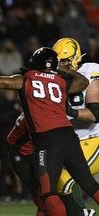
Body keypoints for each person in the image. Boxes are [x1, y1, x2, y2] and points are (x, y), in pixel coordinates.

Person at [0, 48, 99, 216]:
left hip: (47, 141)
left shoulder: (27, 80)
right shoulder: (61, 81)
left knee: (48, 193)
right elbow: (82, 82)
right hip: (70, 137)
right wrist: (61, 68)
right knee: (90, 184)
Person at [7, 113, 96, 216]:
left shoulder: (42, 111)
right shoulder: (37, 116)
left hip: (35, 150)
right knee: (43, 196)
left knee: (52, 190)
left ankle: (77, 211)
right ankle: (77, 212)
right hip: (20, 153)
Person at [53, 37, 99, 215]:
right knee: (57, 183)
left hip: (93, 138)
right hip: (70, 141)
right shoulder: (54, 77)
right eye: (57, 61)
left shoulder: (91, 70)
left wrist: (69, 112)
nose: (60, 65)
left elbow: (96, 114)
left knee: (64, 181)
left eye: (64, 60)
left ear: (75, 58)